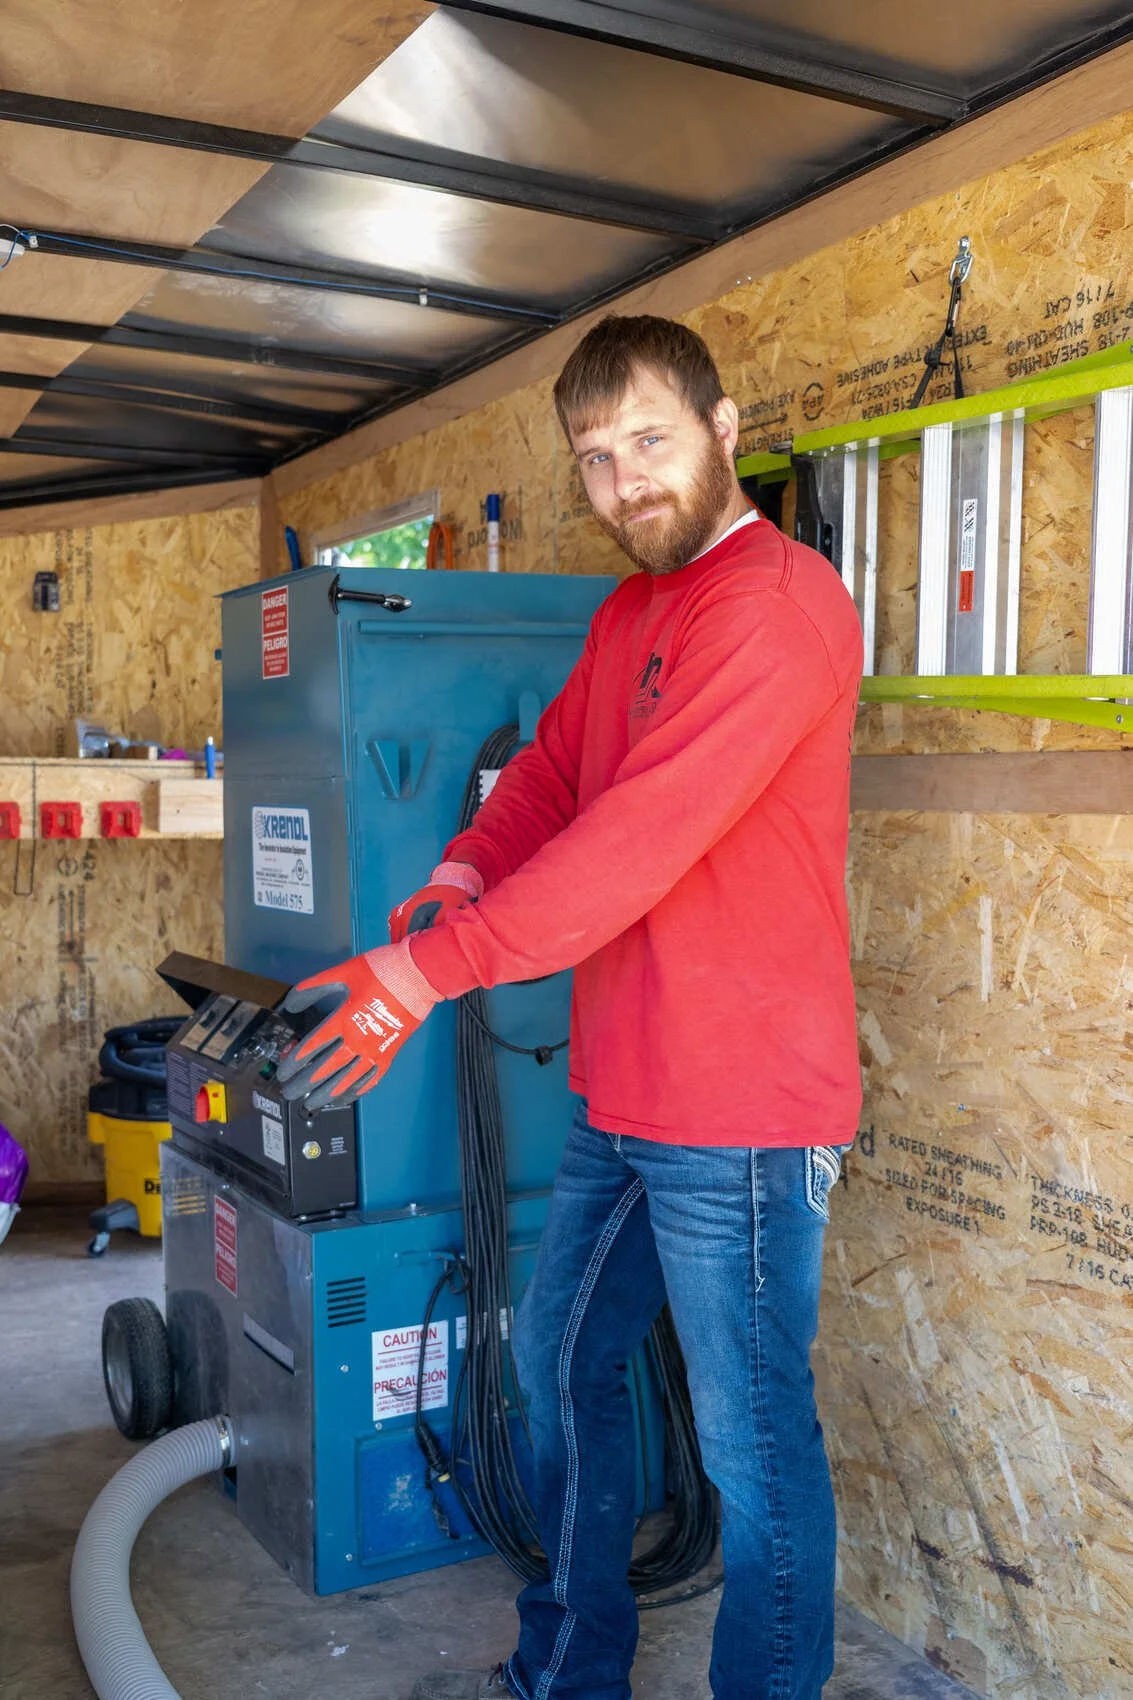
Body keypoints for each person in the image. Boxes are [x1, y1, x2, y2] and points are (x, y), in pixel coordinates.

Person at [277, 314, 864, 1700]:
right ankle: (572, 1665)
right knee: (559, 1360)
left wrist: (428, 972)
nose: (624, 485)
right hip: (624, 1090)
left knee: (753, 1448)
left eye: (649, 443)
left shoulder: (779, 608)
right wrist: (470, 863)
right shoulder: (631, 613)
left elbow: (635, 840)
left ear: (725, 431)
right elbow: (555, 773)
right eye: (596, 459)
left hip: (744, 1116)